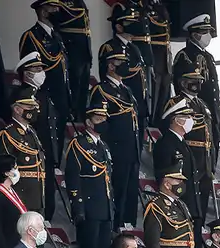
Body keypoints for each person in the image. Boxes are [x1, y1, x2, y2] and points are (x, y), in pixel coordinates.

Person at [91, 47, 141, 227]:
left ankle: (129, 223)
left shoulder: (126, 90)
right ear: (111, 66)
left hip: (131, 149)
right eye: (121, 63)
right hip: (116, 148)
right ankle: (117, 225)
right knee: (118, 189)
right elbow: (100, 121)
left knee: (130, 190)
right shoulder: (102, 89)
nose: (126, 67)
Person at [66, 99, 114, 248]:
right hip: (89, 209)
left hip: (105, 209)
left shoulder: (104, 147)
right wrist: (78, 208)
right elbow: (73, 178)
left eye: (104, 117)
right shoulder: (79, 144)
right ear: (88, 121)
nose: (103, 121)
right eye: (98, 117)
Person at [20, 0, 72, 160]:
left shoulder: (57, 36)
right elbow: (28, 70)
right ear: (43, 11)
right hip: (43, 96)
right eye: (54, 8)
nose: (58, 11)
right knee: (45, 145)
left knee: (58, 141)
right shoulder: (31, 36)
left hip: (60, 96)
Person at [161, 67, 213, 227]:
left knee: (202, 200)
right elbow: (166, 126)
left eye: (199, 81)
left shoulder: (202, 104)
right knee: (188, 198)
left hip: (205, 156)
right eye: (192, 80)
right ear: (183, 82)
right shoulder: (176, 103)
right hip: (189, 152)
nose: (196, 84)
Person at [14, 50, 58, 219]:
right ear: (26, 72)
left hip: (45, 149)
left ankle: (47, 216)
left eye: (41, 68)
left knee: (48, 188)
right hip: (31, 149)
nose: (41, 72)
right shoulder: (23, 95)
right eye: (36, 68)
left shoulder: (43, 94)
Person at [174, 14, 220, 165]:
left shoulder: (208, 56)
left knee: (212, 152)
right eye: (204, 32)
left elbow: (213, 87)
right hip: (196, 112)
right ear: (194, 34)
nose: (208, 36)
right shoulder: (185, 55)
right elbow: (181, 86)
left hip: (211, 110)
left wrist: (218, 110)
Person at [99, 4, 148, 150]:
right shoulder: (110, 47)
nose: (133, 26)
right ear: (119, 27)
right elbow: (106, 78)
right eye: (129, 23)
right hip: (121, 103)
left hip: (136, 100)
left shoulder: (135, 48)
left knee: (137, 142)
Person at [152, 99, 201, 238]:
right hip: (178, 204)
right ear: (177, 120)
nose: (191, 120)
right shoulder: (165, 143)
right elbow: (164, 176)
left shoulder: (182, 143)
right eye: (187, 117)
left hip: (190, 204)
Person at [0, 87, 46, 215]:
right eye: (29, 106)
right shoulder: (8, 133)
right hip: (20, 196)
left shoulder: (32, 132)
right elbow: (3, 167)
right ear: (17, 109)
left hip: (37, 196)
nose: (34, 110)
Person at [50, 0, 93, 125]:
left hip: (83, 51)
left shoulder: (79, 2)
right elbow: (57, 22)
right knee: (72, 83)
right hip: (71, 48)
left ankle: (80, 113)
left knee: (83, 85)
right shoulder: (61, 2)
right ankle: (71, 112)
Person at [144, 0, 172, 123]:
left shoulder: (162, 7)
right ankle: (152, 121)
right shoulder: (145, 7)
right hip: (154, 53)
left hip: (165, 57)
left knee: (165, 92)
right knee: (154, 91)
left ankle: (161, 122)